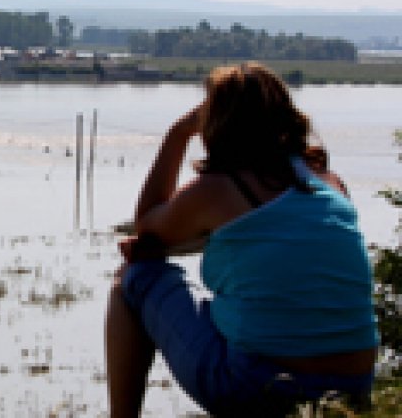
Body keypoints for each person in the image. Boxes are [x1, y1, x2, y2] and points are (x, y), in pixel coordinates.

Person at [105, 62, 379, 417]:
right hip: (353, 389)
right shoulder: (329, 182)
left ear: (216, 121)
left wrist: (178, 134)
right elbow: (273, 244)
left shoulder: (219, 189)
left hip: (258, 389)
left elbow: (147, 223)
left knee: (132, 278)